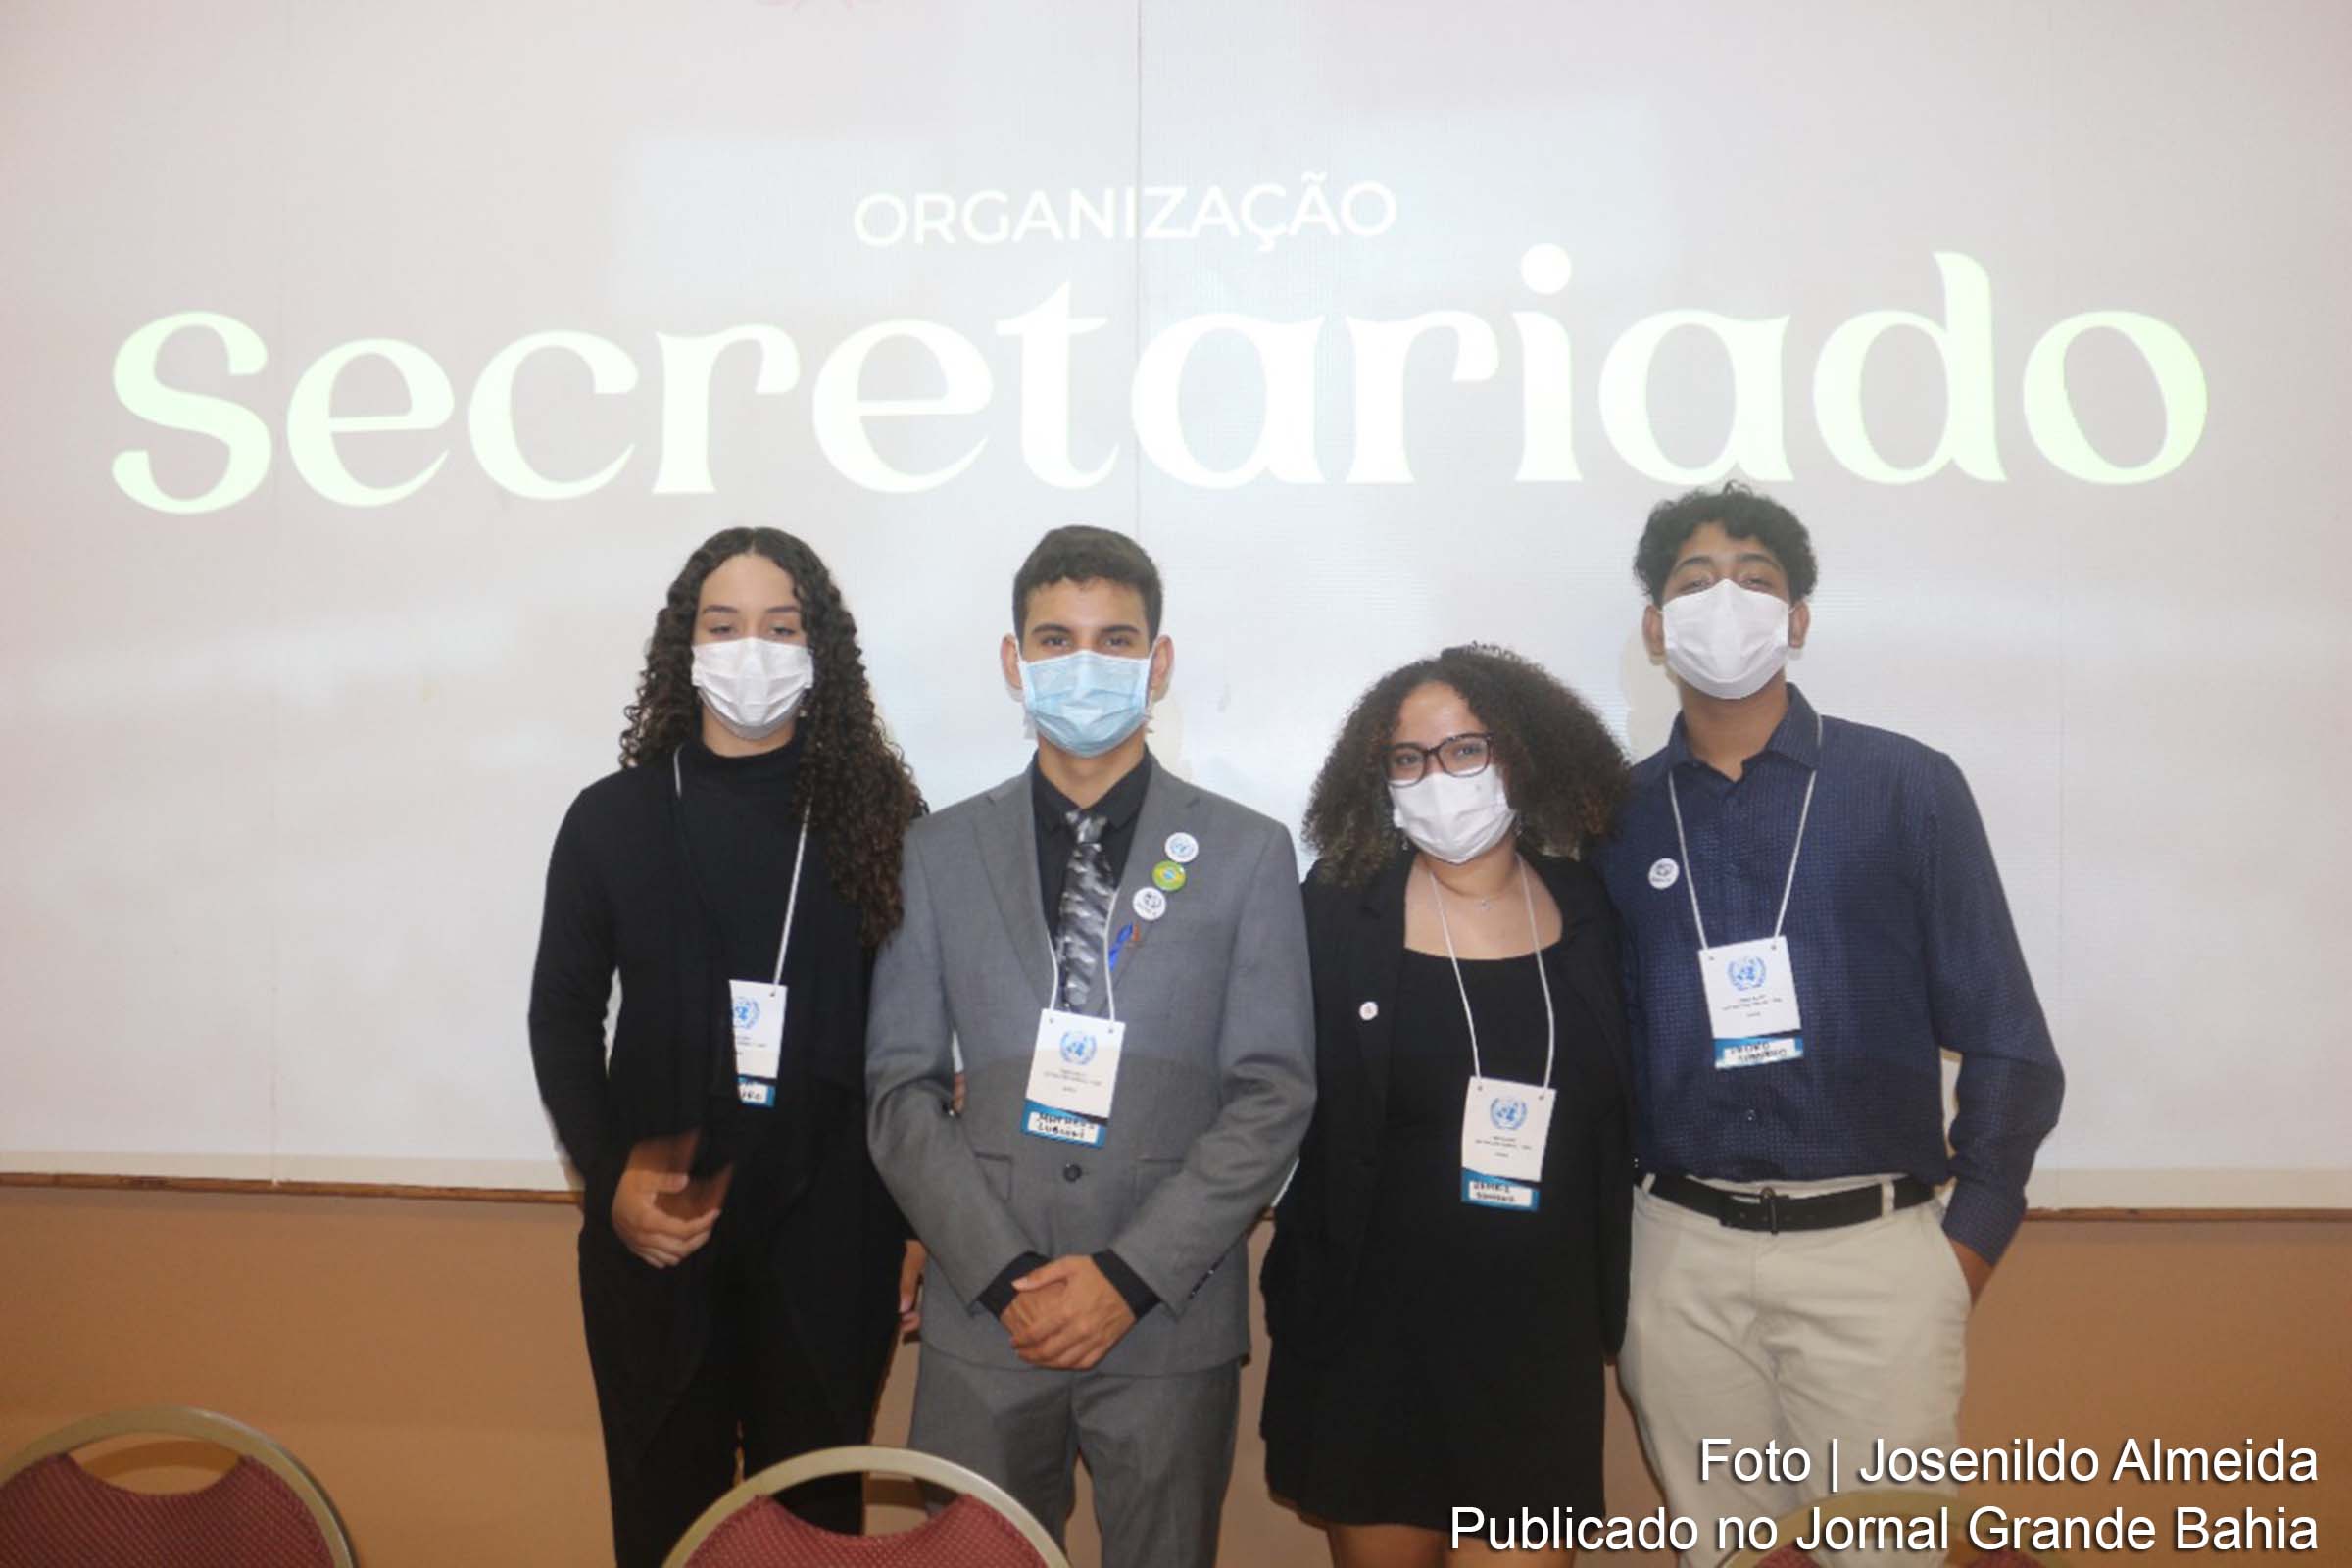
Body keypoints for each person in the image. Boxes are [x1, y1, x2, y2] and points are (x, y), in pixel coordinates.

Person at [1594, 485, 2064, 1568]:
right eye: (1694, 583)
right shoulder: (1611, 817)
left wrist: (1960, 1253)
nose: (1726, 601)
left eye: (1755, 579)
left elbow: (2010, 1041)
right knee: (1727, 1556)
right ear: (1657, 628)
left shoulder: (1905, 786)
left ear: (1797, 618)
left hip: (1877, 1254)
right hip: (1678, 1254)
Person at [864, 524, 1315, 1568]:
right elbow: (899, 1089)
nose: (1086, 663)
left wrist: (1128, 1275)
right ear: (1013, 661)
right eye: (1056, 639)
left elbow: (1274, 1093)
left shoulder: (1248, 852)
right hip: (986, 1316)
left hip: (1167, 1315)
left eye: (1115, 640)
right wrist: (1004, 1274)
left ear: (1159, 663)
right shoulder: (936, 852)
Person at [527, 526, 926, 1567]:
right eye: (724, 624)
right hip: (658, 1225)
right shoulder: (611, 819)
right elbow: (562, 1016)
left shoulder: (884, 819)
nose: (752, 649)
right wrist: (609, 1180)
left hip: (834, 1233)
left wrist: (914, 1218)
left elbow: (914, 1039)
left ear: (819, 651)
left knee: (814, 1533)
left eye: (781, 627)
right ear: (686, 647)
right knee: (665, 1528)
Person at [1261, 645, 1634, 1568]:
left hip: (1538, 1340)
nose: (1438, 778)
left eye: (1467, 750)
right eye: (1409, 758)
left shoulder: (1590, 906)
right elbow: (1245, 1066)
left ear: (1522, 755)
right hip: (1372, 1341)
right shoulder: (1334, 912)